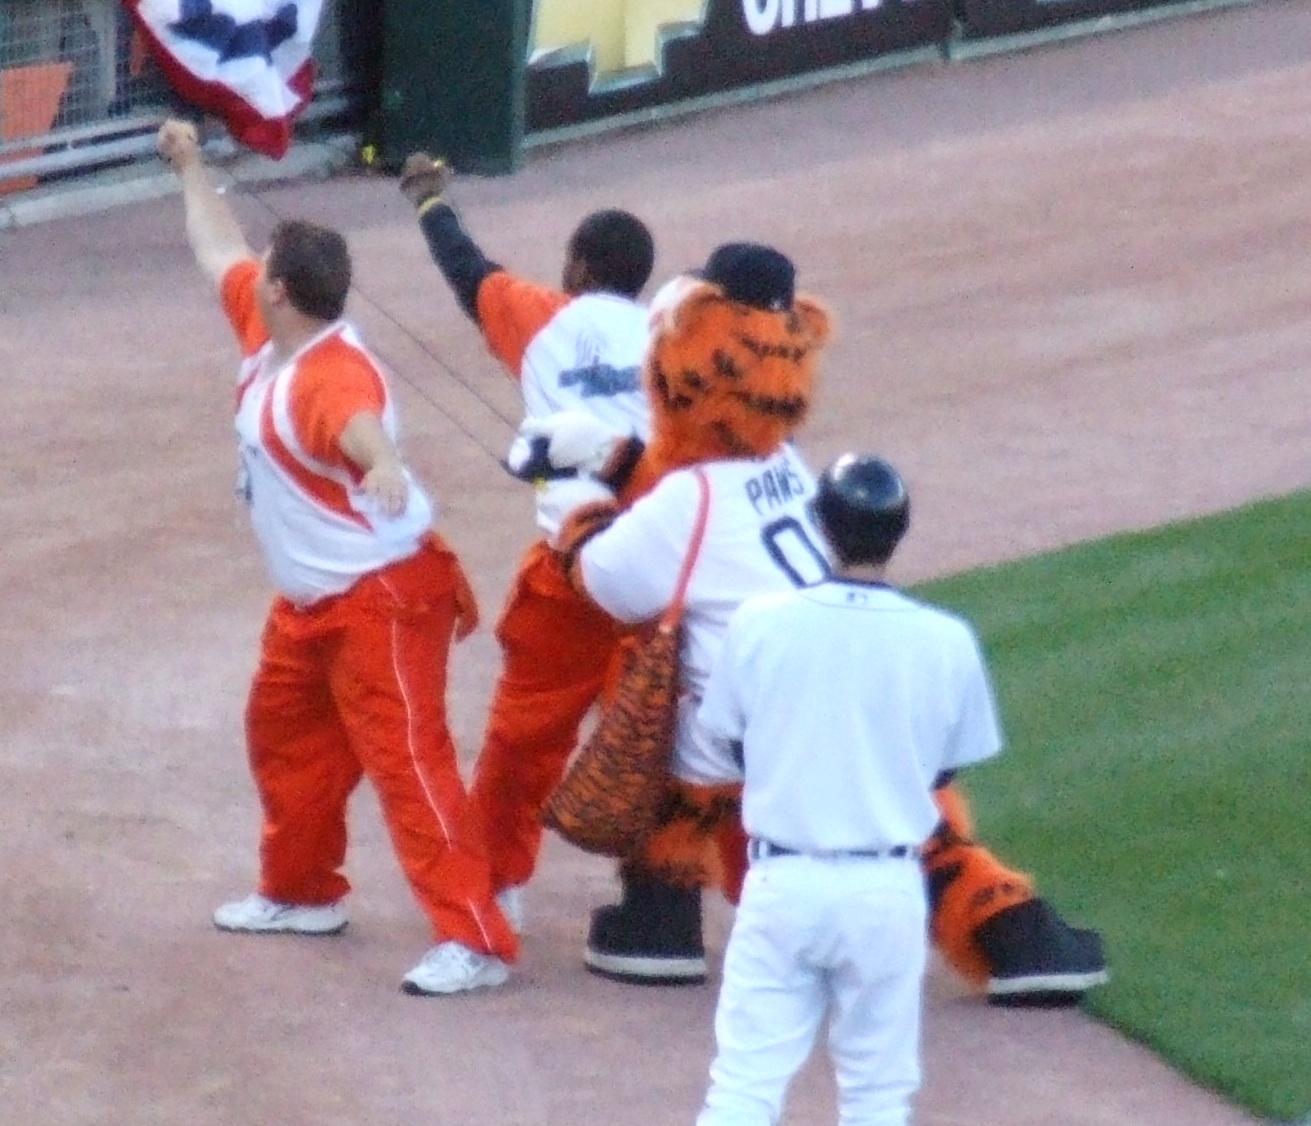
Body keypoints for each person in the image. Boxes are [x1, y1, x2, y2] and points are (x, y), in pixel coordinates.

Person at [156, 119, 516, 995]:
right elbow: (217, 245)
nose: (251, 268)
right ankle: (301, 892)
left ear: (281, 290)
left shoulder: (330, 376)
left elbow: (355, 426)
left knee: (409, 765)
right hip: (312, 603)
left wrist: (384, 464)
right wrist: (191, 166)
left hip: (381, 603)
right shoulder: (269, 328)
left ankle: (475, 940)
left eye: (265, 265)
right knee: (285, 741)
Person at [694, 454, 999, 1126]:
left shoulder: (759, 622)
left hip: (783, 884)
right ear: (899, 531)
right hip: (885, 892)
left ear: (821, 525)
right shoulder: (946, 640)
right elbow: (943, 771)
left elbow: (733, 747)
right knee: (876, 1096)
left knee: (742, 1088)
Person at [397, 154, 656, 928]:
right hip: (661, 574)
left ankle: (495, 886)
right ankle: (662, 905)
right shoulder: (675, 337)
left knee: (520, 741)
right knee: (659, 745)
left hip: (571, 575)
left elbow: (467, 273)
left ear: (578, 268)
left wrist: (429, 200)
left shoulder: (544, 317)